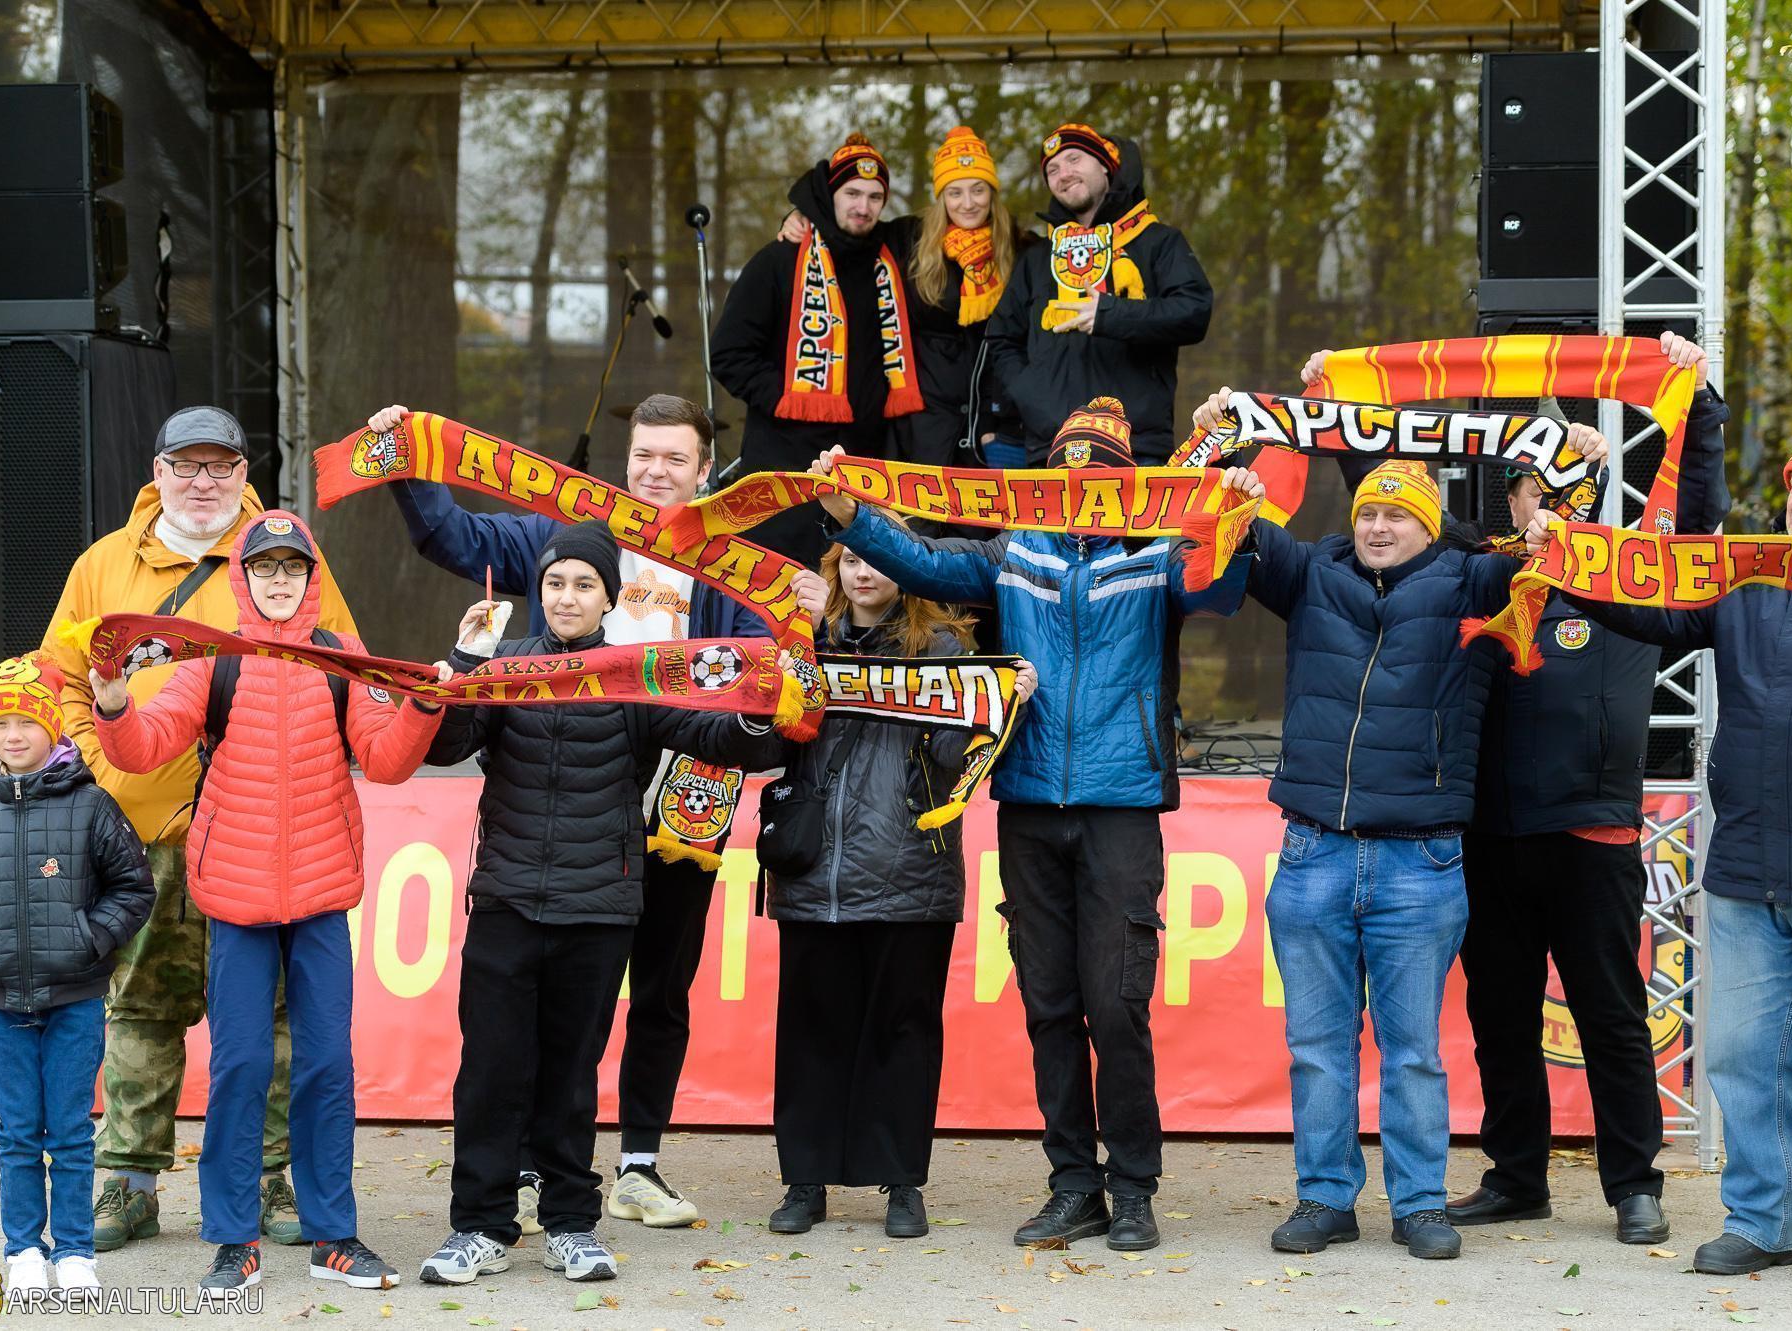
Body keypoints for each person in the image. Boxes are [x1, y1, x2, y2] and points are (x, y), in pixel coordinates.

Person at [810, 397, 1261, 1254]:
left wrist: (1229, 519)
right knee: (1049, 1005)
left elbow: (1219, 589)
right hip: (1025, 803)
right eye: (1066, 472)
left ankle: (1133, 1187)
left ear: (1128, 484)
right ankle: (1073, 1186)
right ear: (1048, 480)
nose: (1081, 485)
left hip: (1122, 806)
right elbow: (920, 559)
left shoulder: (1158, 552)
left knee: (1116, 1007)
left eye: (1100, 475)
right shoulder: (1013, 550)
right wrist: (850, 515)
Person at [1192, 377, 1610, 1262]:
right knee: (1316, 1045)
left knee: (1413, 1048)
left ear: (1428, 526)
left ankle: (1419, 1203)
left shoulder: (1473, 580)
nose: (1378, 527)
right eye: (1369, 513)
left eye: (1398, 516)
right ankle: (1324, 1198)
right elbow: (1211, 515)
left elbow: (1559, 545)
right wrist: (1217, 443)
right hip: (1312, 852)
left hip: (1420, 863)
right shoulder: (1310, 572)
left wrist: (1578, 474)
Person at [1536, 423, 1792, 1291]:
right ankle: (1763, 1222)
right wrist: (1566, 557)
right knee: (1740, 1060)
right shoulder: (1747, 574)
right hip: (1748, 865)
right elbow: (1649, 602)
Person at [367, 393, 765, 1232]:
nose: (655, 471)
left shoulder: (730, 560)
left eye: (676, 458)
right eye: (644, 454)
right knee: (554, 990)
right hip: (575, 788)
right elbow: (453, 537)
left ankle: (640, 1163)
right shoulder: (574, 532)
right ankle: (531, 1158)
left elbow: (758, 659)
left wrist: (795, 619)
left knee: (662, 983)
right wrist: (406, 460)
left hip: (686, 779)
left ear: (705, 469)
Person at [1413, 332, 1728, 1244]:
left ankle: (1634, 1184)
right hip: (1490, 836)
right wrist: (1333, 406)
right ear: (1509, 497)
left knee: (1611, 1016)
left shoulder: (1629, 575)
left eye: (1562, 487)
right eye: (1529, 487)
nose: (1543, 502)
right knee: (1499, 1017)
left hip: (1591, 837)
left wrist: (1699, 403)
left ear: (1592, 494)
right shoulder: (1478, 573)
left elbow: (1699, 515)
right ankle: (1518, 1177)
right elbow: (1395, 514)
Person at [416, 523, 790, 1287]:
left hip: (599, 906)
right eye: (556, 583)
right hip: (506, 899)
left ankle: (570, 1224)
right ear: (538, 591)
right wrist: (465, 661)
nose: (568, 597)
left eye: (585, 584)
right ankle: (479, 1225)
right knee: (489, 1071)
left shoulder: (633, 674)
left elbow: (723, 738)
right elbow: (443, 745)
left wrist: (760, 707)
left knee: (570, 1074)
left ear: (609, 599)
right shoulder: (505, 666)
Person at [88, 512, 454, 1292]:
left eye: (293, 566)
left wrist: (423, 706)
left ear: (312, 575)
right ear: (244, 576)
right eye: (266, 566)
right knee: (242, 1065)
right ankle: (233, 1240)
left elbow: (385, 761)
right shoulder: (214, 660)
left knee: (327, 1065)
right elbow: (145, 748)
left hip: (322, 893)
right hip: (234, 895)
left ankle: (333, 1237)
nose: (279, 579)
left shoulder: (342, 654)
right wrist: (114, 705)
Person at [40, 406, 358, 1252]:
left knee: (275, 1017)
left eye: (221, 466)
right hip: (136, 832)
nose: (204, 481)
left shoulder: (286, 554)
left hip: (262, 837)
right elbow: (60, 677)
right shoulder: (102, 565)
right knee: (140, 1005)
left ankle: (273, 1175)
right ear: (158, 472)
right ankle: (130, 1181)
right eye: (187, 465)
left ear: (245, 474)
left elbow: (344, 670)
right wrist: (102, 769)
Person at [762, 532, 1037, 1241]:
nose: (864, 572)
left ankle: (902, 1181)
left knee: (903, 1032)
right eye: (851, 560)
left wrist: (1000, 707)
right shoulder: (805, 639)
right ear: (834, 568)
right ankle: (805, 1180)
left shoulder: (944, 645)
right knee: (810, 1031)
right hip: (814, 869)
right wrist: (790, 660)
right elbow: (771, 739)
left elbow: (953, 755)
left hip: (910, 867)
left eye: (878, 559)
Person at [0, 656, 154, 1295]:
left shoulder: (92, 805)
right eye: (1, 722)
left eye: (27, 722)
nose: (13, 735)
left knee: (68, 1133)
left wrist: (90, 939)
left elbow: (133, 887)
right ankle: (23, 1250)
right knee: (15, 1134)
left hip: (75, 1001)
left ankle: (74, 1250)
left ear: (52, 727)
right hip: (4, 1003)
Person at [712, 132, 915, 565]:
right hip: (784, 460)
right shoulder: (779, 259)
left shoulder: (893, 256)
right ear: (828, 195)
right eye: (852, 193)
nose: (863, 207)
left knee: (853, 584)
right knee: (782, 579)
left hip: (863, 462)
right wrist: (789, 398)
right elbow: (728, 354)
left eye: (875, 197)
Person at [778, 125, 1023, 471]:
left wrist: (1006, 418)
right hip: (924, 421)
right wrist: (801, 215)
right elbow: (848, 231)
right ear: (941, 196)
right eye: (955, 192)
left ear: (992, 192)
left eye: (978, 190)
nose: (968, 203)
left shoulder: (1019, 245)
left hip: (991, 420)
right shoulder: (909, 237)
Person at [984, 123, 1211, 466]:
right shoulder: (1037, 257)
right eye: (1052, 170)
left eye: (1074, 159)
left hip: (1136, 446)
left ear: (1105, 165)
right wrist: (1034, 397)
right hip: (1051, 446)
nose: (1064, 174)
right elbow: (1002, 336)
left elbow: (1194, 311)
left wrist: (1108, 314)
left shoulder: (1157, 241)